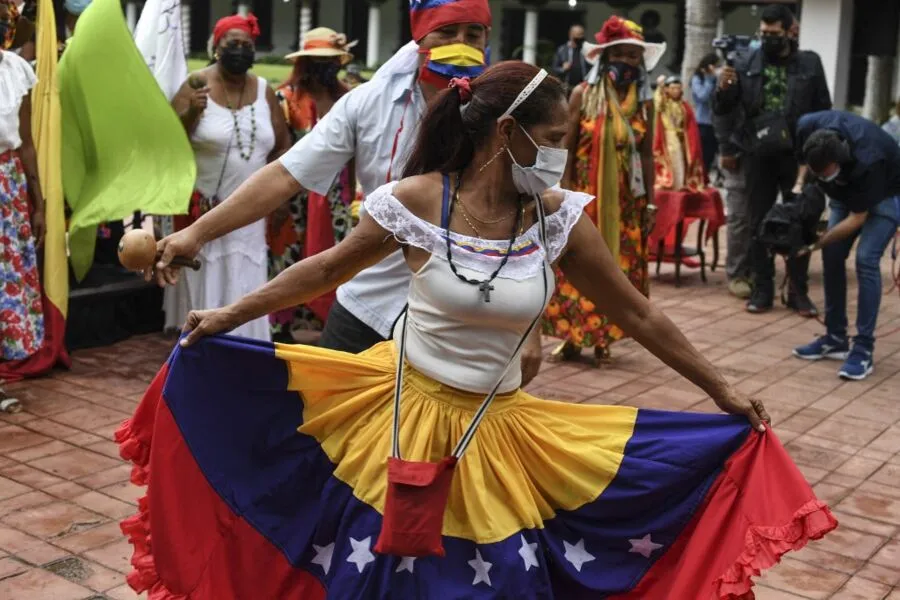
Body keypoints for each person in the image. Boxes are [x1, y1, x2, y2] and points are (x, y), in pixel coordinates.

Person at [116, 61, 836, 599]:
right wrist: (229, 316)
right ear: (506, 132)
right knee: (378, 579)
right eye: (553, 139)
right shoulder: (415, 202)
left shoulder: (558, 219)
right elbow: (323, 269)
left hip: (498, 434)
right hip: (396, 415)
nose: (562, 154)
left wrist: (723, 390)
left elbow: (639, 313)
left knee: (503, 582)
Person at [149, 0, 544, 385]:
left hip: (467, 313)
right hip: (368, 306)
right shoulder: (369, 102)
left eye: (473, 33)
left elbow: (538, 216)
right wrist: (195, 233)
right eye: (446, 32)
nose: (461, 43)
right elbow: (286, 175)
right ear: (420, 37)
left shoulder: (507, 111)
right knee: (324, 434)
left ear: (487, 38)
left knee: (441, 443)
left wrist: (532, 327)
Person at [162, 13, 291, 340]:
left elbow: (282, 146)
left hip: (252, 211)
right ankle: (203, 348)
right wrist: (193, 112)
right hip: (205, 210)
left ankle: (246, 348)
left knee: (246, 279)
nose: (241, 50)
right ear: (216, 47)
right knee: (210, 279)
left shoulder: (264, 91)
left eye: (247, 44)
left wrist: (280, 199)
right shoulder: (195, 85)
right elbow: (171, 147)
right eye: (232, 44)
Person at [543, 16, 662, 366]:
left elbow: (645, 153)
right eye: (620, 54)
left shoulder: (645, 102)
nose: (627, 62)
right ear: (606, 57)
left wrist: (651, 204)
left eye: (633, 56)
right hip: (584, 197)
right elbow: (566, 145)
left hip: (627, 202)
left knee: (618, 270)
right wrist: (562, 193)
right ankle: (573, 337)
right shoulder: (584, 94)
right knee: (575, 265)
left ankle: (603, 337)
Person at [713, 5, 831, 314]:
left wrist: (817, 157)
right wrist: (724, 90)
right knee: (758, 222)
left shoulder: (810, 63)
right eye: (763, 34)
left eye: (774, 34)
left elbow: (824, 110)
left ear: (791, 31)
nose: (767, 39)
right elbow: (724, 111)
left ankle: (797, 291)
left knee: (803, 221)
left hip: (799, 156)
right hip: (758, 153)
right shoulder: (744, 62)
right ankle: (762, 289)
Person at [792, 111, 900, 380]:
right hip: (846, 194)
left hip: (886, 192)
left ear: (840, 160)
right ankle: (835, 337)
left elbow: (858, 217)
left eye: (826, 174)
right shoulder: (807, 127)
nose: (821, 178)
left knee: (866, 259)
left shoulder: (868, 159)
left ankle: (863, 349)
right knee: (833, 254)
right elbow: (804, 168)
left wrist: (816, 244)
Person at [269, 27, 357, 343]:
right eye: (318, 61)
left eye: (331, 61)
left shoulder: (351, 99)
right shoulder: (286, 100)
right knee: (290, 259)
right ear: (304, 63)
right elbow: (276, 150)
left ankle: (326, 329)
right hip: (294, 198)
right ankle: (284, 331)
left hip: (336, 198)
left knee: (331, 258)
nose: (325, 67)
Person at [0, 49, 44, 373]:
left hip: (8, 185)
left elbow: (26, 142)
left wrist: (38, 204)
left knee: (6, 279)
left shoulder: (16, 69)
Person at [654, 75, 706, 191]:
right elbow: (658, 104)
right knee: (673, 159)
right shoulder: (664, 103)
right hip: (669, 135)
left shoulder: (684, 105)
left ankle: (682, 182)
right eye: (673, 88)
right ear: (667, 89)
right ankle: (674, 184)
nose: (676, 91)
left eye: (678, 88)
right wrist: (660, 87)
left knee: (683, 159)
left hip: (682, 136)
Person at [691, 52, 720, 179]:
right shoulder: (698, 79)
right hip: (702, 122)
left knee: (710, 155)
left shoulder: (717, 79)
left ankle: (705, 178)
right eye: (716, 66)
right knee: (702, 155)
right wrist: (709, 80)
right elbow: (703, 96)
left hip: (715, 123)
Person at [551, 24, 588, 92]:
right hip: (566, 88)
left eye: (582, 34)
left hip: (582, 88)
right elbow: (554, 69)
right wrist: (563, 69)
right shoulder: (562, 50)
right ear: (571, 35)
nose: (580, 37)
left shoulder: (586, 50)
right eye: (578, 35)